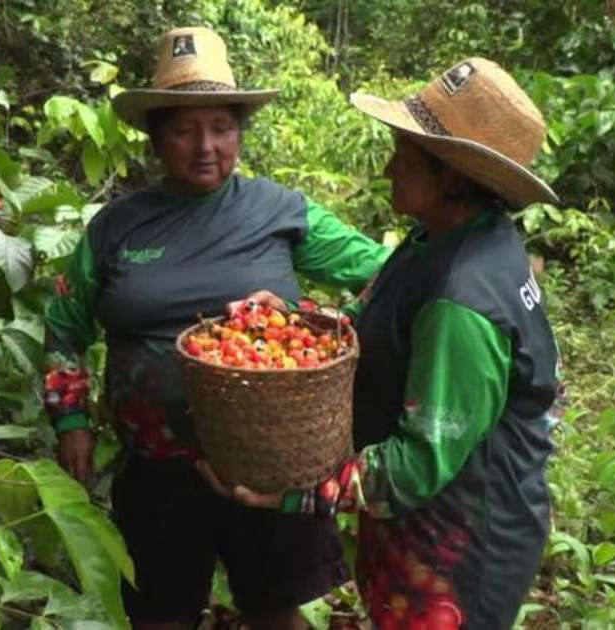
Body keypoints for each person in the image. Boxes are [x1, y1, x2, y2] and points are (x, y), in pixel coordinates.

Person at [43, 27, 392, 630]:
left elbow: (390, 274)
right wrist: (71, 420)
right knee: (158, 613)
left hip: (267, 464)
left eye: (222, 128)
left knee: (274, 608)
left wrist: (328, 319)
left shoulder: (280, 210)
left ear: (239, 132)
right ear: (156, 137)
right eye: (184, 129)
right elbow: (64, 325)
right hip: (154, 469)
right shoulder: (117, 227)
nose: (206, 146)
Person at [202, 58, 564, 630]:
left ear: (450, 174)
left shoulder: (461, 300)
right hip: (427, 528)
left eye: (405, 155)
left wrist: (292, 495)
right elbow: (381, 320)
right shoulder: (444, 239)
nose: (389, 168)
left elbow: (417, 464)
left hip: (460, 546)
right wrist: (293, 324)